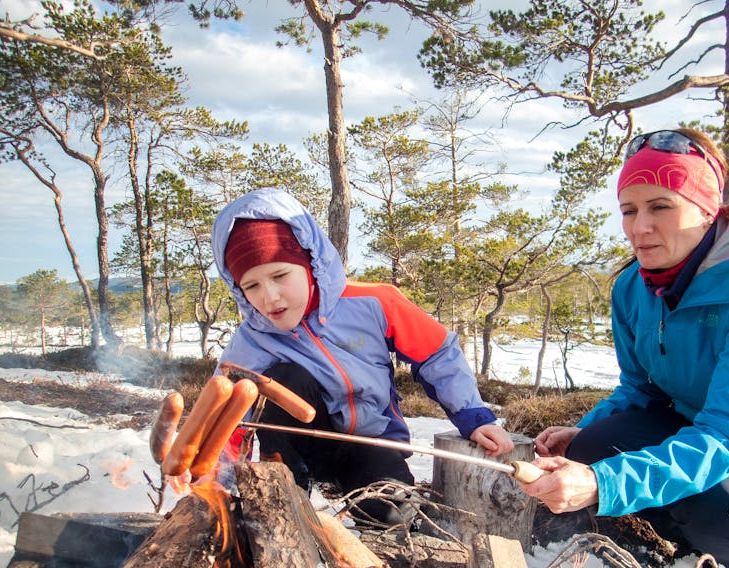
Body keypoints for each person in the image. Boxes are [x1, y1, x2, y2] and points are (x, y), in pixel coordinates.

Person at [520, 128, 729, 568]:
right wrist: (580, 433)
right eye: (629, 210)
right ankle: (684, 550)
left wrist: (605, 485)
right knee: (591, 448)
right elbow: (639, 390)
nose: (639, 227)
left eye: (660, 207)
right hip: (703, 426)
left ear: (706, 210)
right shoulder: (632, 287)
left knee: (724, 509)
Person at [211, 187, 514, 524]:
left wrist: (473, 416)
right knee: (284, 381)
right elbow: (226, 415)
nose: (270, 297)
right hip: (303, 449)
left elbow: (437, 352)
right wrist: (214, 482)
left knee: (392, 514)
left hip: (374, 442)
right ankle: (285, 505)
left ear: (310, 262)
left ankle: (383, 512)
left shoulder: (373, 302)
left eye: (280, 276)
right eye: (251, 286)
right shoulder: (253, 339)